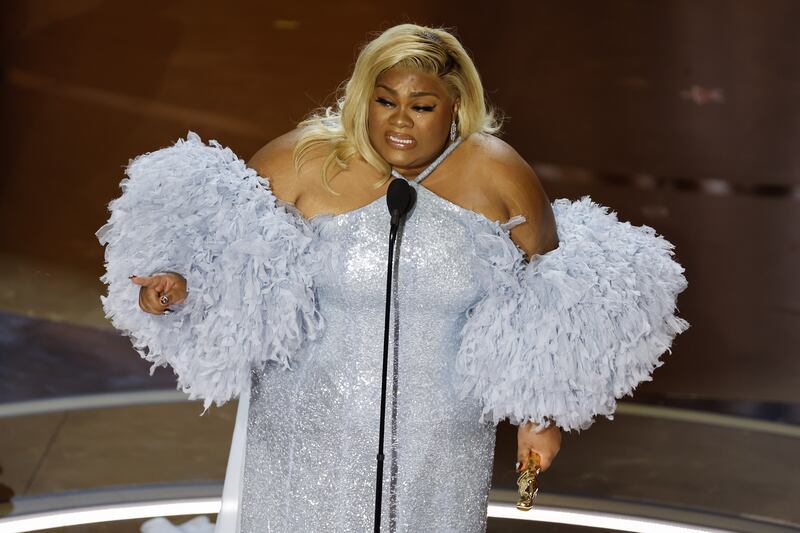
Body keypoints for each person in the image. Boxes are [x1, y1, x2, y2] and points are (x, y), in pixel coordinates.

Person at [98, 24, 689, 533]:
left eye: (422, 106)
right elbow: (226, 257)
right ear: (364, 98)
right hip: (305, 437)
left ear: (456, 105)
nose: (400, 122)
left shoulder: (499, 176)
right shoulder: (303, 161)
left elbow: (547, 306)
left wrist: (541, 415)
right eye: (386, 101)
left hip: (442, 445)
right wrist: (176, 283)